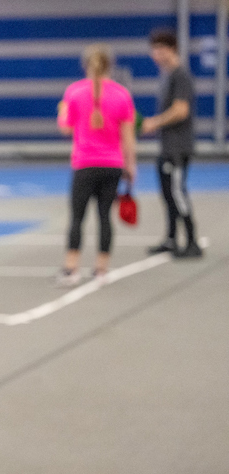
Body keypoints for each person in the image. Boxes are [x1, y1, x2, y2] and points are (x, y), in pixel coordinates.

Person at [55, 44, 137, 287]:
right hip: (112, 165)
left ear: (85, 66)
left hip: (84, 164)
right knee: (104, 217)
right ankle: (101, 269)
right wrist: (130, 166)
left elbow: (65, 128)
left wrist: (61, 112)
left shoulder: (73, 92)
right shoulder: (122, 95)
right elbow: (128, 137)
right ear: (110, 66)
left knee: (77, 217)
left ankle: (71, 268)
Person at [141, 28, 202, 258]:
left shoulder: (180, 75)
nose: (156, 54)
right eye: (154, 49)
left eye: (161, 49)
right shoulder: (166, 76)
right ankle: (171, 238)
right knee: (167, 193)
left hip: (178, 146)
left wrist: (154, 123)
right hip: (167, 145)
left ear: (172, 49)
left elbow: (181, 110)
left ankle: (192, 241)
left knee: (177, 192)